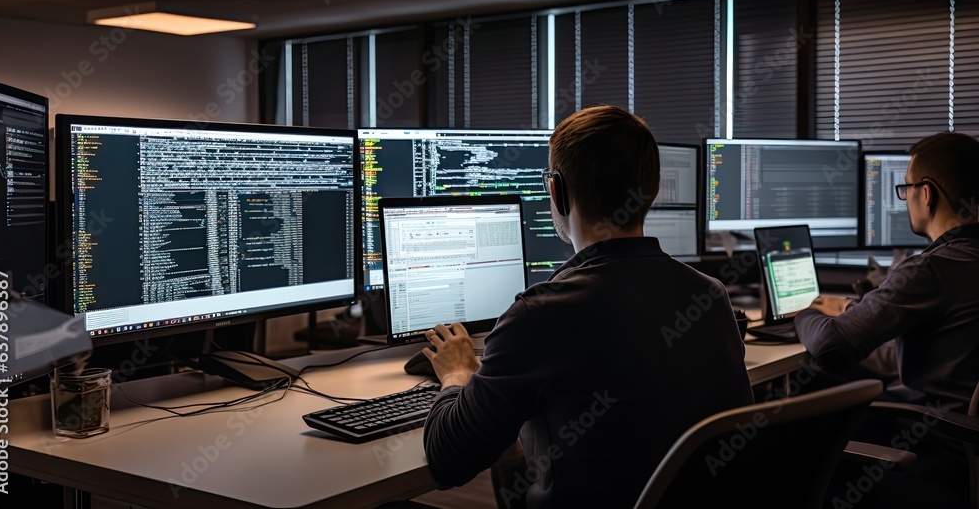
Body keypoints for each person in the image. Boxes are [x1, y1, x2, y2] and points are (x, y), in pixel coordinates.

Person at [419, 105, 754, 508]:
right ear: (652, 188)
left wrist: (456, 374)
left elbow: (448, 459)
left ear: (556, 191)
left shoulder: (538, 315)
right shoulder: (711, 296)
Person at [796, 131, 979, 509]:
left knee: (797, 404)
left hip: (933, 444)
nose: (906, 197)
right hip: (963, 440)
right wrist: (853, 310)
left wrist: (803, 313)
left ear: (926, 193)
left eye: (906, 188)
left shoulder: (933, 268)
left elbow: (832, 347)